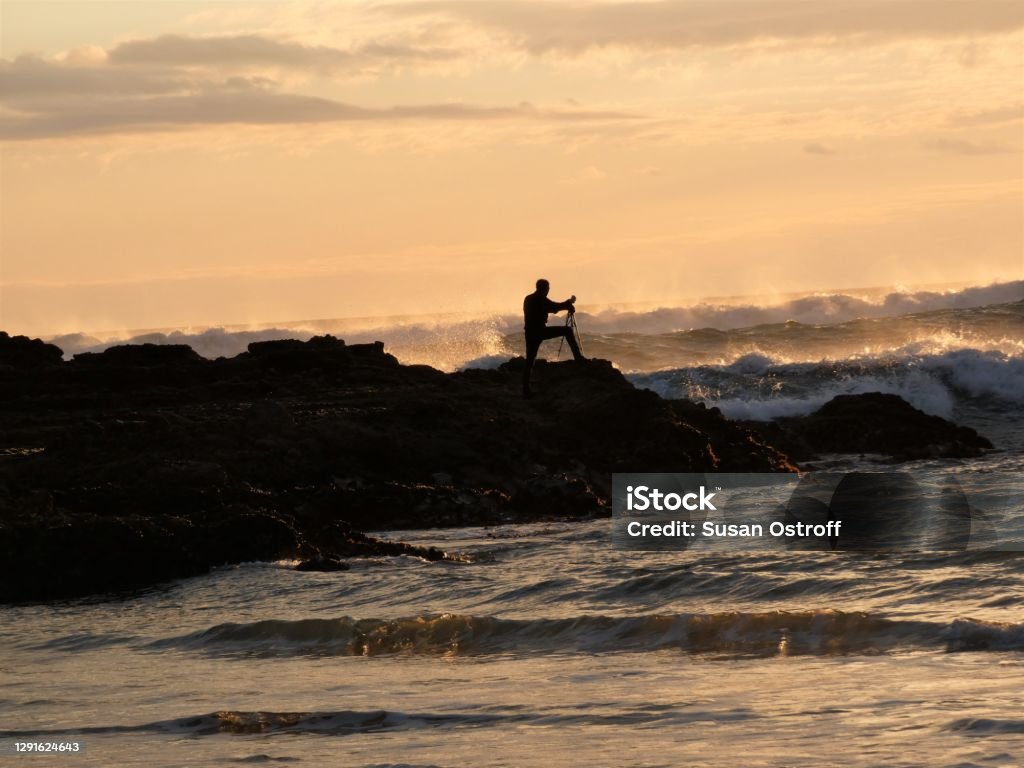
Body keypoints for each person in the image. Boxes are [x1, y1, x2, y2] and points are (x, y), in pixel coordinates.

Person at [522, 278, 585, 397]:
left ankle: (526, 389)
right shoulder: (540, 299)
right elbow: (553, 306)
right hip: (539, 331)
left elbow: (552, 306)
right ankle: (578, 358)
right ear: (545, 289)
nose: (548, 290)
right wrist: (568, 304)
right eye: (548, 288)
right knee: (567, 330)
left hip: (529, 333)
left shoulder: (529, 298)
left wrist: (566, 304)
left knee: (530, 360)